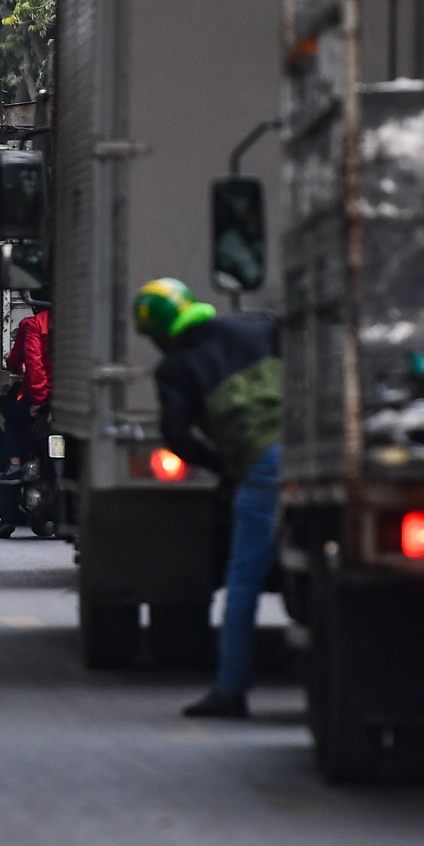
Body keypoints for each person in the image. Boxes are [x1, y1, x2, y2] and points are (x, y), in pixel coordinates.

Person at [133, 277, 281, 719]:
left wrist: (224, 466)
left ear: (159, 334)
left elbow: (176, 436)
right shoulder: (258, 328)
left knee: (243, 582)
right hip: (320, 455)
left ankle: (231, 689)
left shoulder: (176, 368)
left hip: (263, 465)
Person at [0, 304, 51, 532]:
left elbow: (30, 363)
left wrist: (39, 398)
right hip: (71, 401)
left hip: (39, 400)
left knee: (14, 423)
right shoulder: (82, 326)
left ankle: (8, 517)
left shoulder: (33, 325)